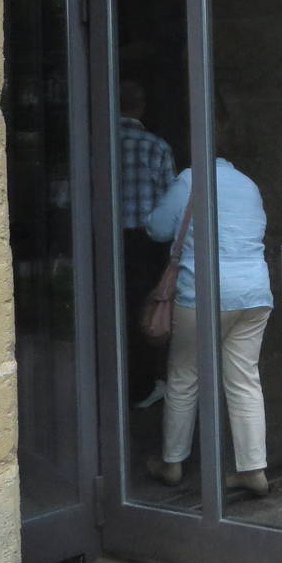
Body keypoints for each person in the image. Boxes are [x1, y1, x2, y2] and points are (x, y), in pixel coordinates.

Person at [142, 149, 272, 498]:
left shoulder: (190, 180)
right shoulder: (249, 185)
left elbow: (156, 228)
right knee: (244, 379)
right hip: (255, 293)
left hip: (204, 292)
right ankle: (253, 469)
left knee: (185, 376)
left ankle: (172, 463)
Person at [117, 80, 176, 407]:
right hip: (144, 242)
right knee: (145, 314)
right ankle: (141, 387)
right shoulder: (156, 147)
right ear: (141, 107)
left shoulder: (98, 143)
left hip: (104, 240)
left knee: (112, 311)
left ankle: (111, 381)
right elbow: (170, 204)